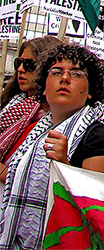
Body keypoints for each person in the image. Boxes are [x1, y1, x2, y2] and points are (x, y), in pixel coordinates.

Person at [0, 44, 104, 250]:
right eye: (56, 72)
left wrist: (64, 167)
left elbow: (100, 217)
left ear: (91, 90)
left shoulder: (101, 139)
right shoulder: (35, 132)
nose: (64, 78)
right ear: (44, 86)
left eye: (76, 74)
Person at [0, 36, 60, 171]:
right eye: (19, 63)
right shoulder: (13, 104)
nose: (21, 69)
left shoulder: (53, 117)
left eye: (29, 65)